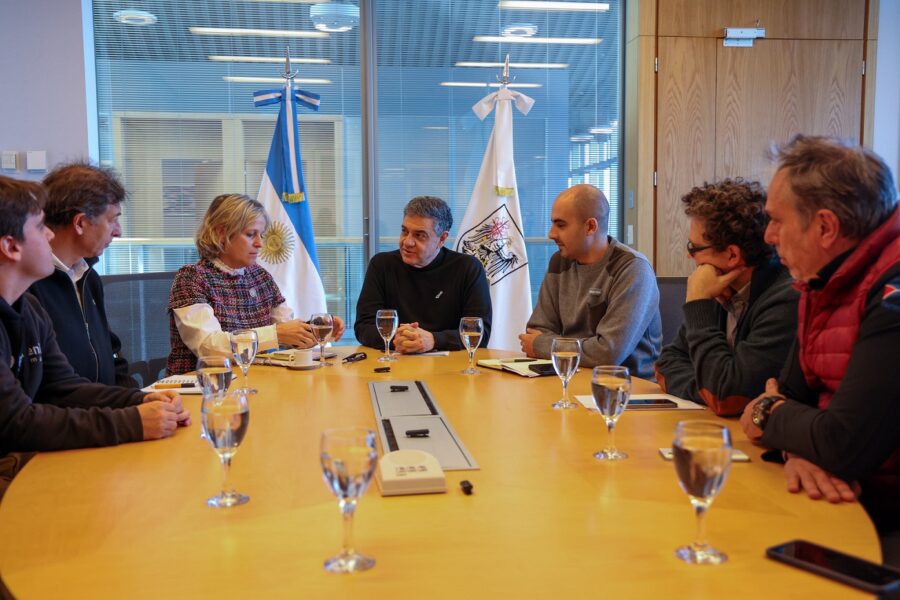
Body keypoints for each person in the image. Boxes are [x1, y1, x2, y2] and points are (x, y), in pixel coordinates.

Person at [737, 135, 900, 567]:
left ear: (826, 227)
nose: (768, 236)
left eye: (775, 220)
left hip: (882, 520)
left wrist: (773, 415)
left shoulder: (892, 292)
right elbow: (789, 398)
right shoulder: (823, 279)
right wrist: (799, 449)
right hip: (839, 502)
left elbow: (842, 443)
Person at [0, 175, 190, 500]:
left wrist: (141, 400)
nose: (49, 235)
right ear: (10, 246)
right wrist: (132, 422)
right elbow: (16, 422)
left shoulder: (26, 307)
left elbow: (63, 387)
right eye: (39, 227)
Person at [655, 179, 798, 415]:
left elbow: (726, 395)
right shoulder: (720, 288)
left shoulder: (785, 299)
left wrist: (698, 304)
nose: (689, 256)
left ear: (732, 255)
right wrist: (707, 389)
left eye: (694, 247)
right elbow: (667, 362)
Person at [167, 193, 344, 374]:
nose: (260, 243)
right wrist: (276, 334)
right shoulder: (192, 278)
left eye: (261, 235)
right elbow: (209, 347)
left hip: (256, 382)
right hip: (199, 390)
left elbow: (285, 329)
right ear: (221, 233)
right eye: (251, 234)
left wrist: (318, 329)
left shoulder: (259, 276)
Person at [519, 184, 661, 377]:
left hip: (626, 391)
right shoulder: (559, 262)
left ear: (590, 227)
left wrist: (543, 345)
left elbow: (608, 353)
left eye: (561, 225)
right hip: (568, 379)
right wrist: (549, 345)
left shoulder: (633, 269)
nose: (551, 234)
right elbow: (537, 330)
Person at [27, 162, 136, 387]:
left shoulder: (88, 277)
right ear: (80, 223)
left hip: (105, 412)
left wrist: (140, 399)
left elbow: (111, 353)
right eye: (112, 219)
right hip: (73, 418)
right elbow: (52, 388)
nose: (118, 231)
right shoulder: (28, 285)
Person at [354, 196, 492, 353]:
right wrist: (400, 339)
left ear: (442, 239)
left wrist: (434, 340)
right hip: (395, 364)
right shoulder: (382, 265)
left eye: (419, 235)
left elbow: (481, 333)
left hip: (450, 368)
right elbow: (363, 326)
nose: (407, 242)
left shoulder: (468, 268)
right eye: (404, 231)